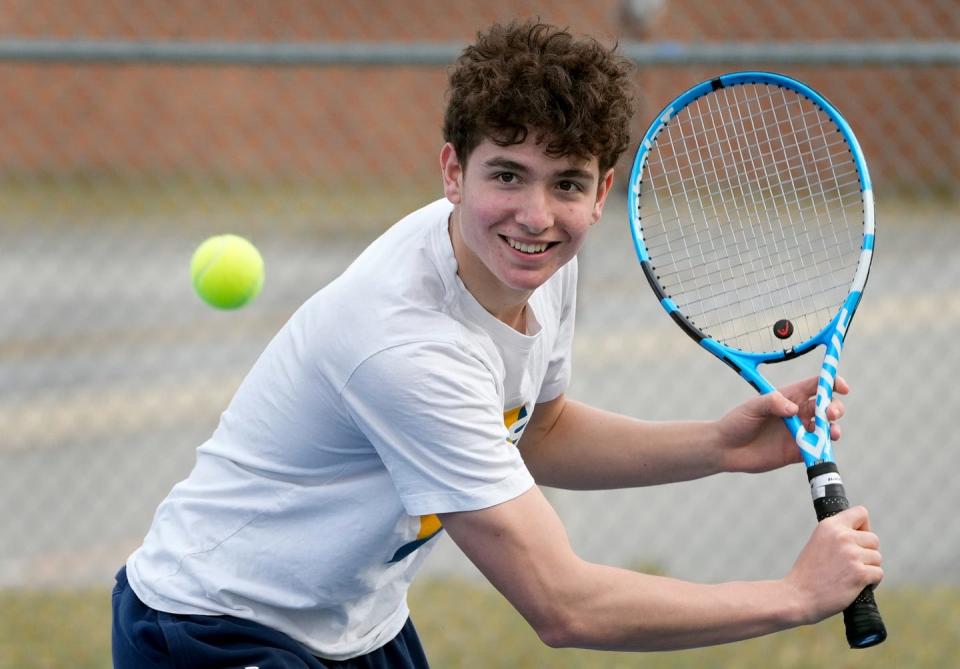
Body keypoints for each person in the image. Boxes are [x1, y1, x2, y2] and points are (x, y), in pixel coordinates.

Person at [112, 20, 882, 668]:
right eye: (508, 175)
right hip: (211, 625)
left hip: (354, 625)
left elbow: (535, 430)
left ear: (601, 191)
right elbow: (563, 604)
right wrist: (793, 595)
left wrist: (713, 444)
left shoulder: (534, 263)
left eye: (568, 183)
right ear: (453, 169)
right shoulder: (404, 344)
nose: (536, 214)